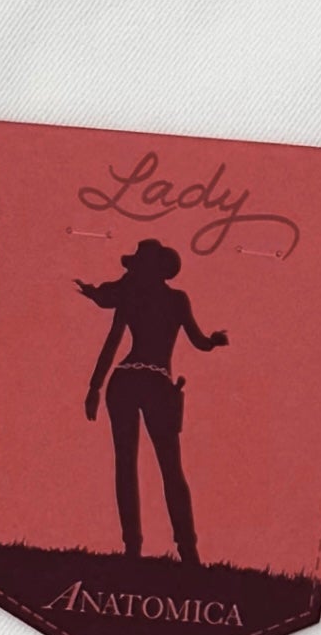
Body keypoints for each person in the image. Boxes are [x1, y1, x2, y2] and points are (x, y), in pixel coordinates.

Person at [79, 238, 229, 564]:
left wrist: (95, 387)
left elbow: (112, 344)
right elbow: (199, 341)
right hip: (156, 383)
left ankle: (134, 548)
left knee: (128, 465)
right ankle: (186, 551)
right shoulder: (175, 299)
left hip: (124, 382)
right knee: (169, 467)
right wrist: (213, 342)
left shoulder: (132, 297)